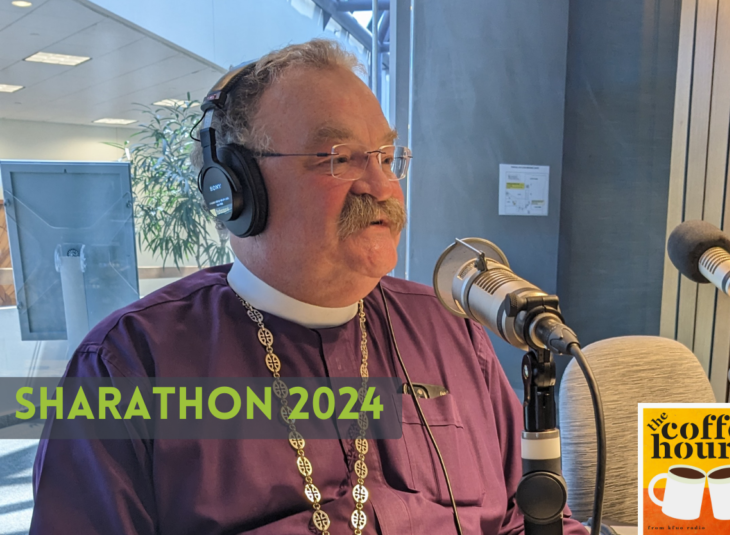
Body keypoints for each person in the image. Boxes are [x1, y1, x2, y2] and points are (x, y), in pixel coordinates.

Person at [29, 39, 587, 535]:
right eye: (339, 159)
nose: (382, 186)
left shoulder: (451, 332)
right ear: (237, 192)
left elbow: (528, 518)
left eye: (387, 157)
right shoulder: (127, 365)